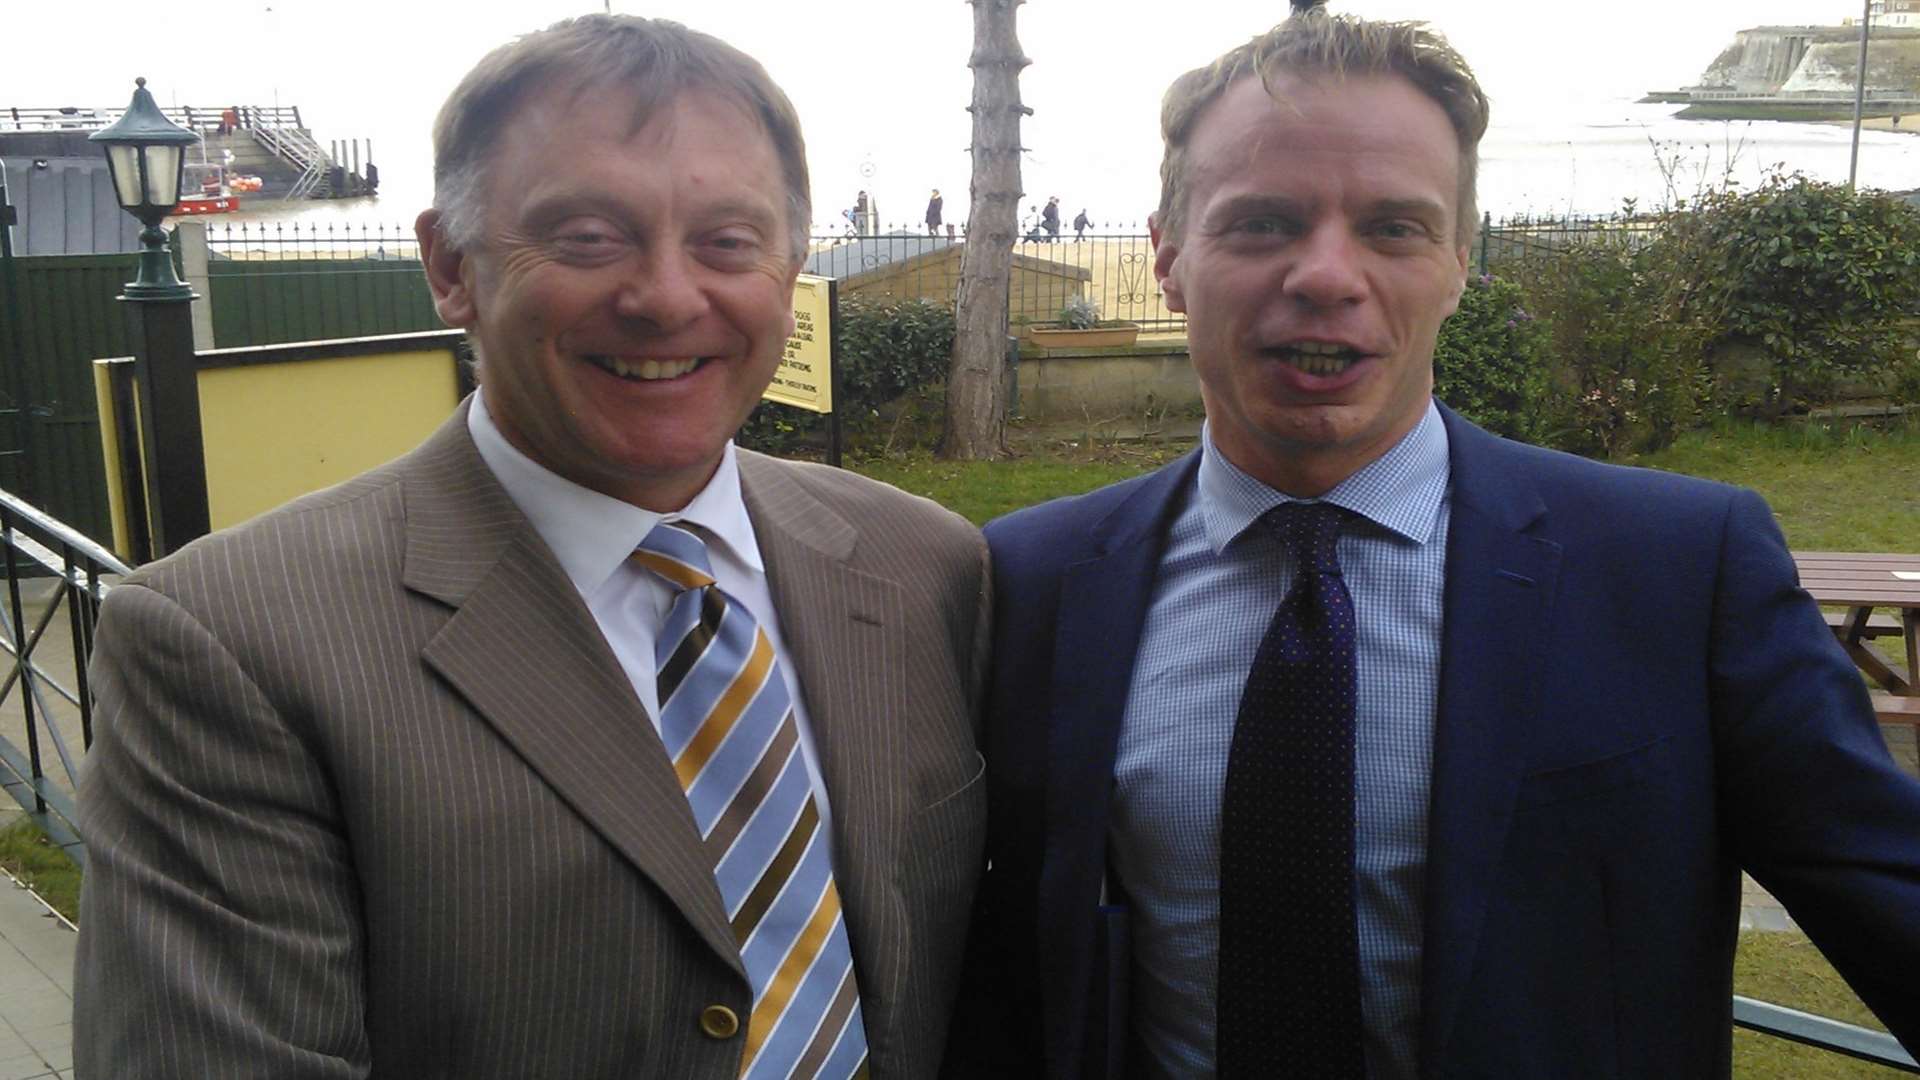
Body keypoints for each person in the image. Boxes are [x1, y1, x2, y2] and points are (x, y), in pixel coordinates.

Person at [945, 5, 1920, 1079]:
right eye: (1262, 222)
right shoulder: (1030, 579)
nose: (1325, 273)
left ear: (1459, 261)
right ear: (1170, 257)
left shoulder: (1678, 571)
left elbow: (1883, 884)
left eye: (1393, 228)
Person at [74, 15, 990, 1080]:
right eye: (588, 238)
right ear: (450, 265)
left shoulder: (927, 567)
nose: (664, 295)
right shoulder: (229, 644)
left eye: (727, 242)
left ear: (788, 268)